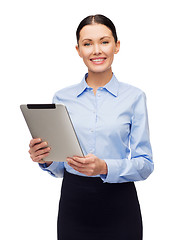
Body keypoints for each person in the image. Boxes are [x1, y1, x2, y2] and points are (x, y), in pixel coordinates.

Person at [28, 14, 154, 240]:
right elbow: (60, 167)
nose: (96, 50)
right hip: (74, 205)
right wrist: (46, 159)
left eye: (104, 42)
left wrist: (104, 167)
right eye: (88, 44)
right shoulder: (62, 98)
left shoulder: (134, 97)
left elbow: (144, 164)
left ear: (116, 46)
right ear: (78, 50)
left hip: (120, 205)